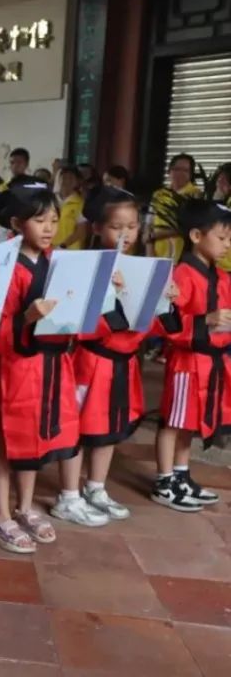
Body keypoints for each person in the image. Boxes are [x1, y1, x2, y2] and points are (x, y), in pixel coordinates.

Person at [72, 186, 182, 520]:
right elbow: (77, 324)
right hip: (92, 362)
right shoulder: (84, 268)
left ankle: (96, 487)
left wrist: (166, 302)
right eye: (116, 227)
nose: (126, 234)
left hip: (123, 362)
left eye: (132, 226)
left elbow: (150, 325)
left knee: (110, 429)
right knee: (79, 428)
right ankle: (69, 492)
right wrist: (112, 300)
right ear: (97, 228)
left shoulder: (142, 267)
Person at [0, 181, 80, 553]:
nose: (48, 228)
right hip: (20, 366)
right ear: (16, 223)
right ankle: (0, 515)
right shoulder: (6, 267)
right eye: (39, 220)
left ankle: (24, 507)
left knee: (36, 437)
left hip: (54, 364)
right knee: (8, 439)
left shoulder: (58, 261)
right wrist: (26, 317)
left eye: (53, 220)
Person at [151, 198, 231, 511]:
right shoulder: (183, 275)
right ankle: (164, 481)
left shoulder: (221, 277)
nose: (227, 245)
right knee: (173, 421)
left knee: (188, 422)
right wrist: (206, 320)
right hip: (186, 362)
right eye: (222, 238)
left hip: (209, 361)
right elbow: (167, 322)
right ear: (196, 236)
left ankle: (181, 475)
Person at [147, 153, 201, 259]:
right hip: (156, 253)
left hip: (181, 256)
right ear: (169, 171)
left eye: (185, 170)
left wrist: (155, 235)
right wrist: (149, 249)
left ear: (191, 174)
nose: (180, 173)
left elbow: (189, 227)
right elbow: (149, 222)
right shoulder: (158, 194)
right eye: (176, 169)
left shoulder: (195, 195)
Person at [54, 165, 88, 250]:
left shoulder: (81, 203)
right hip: (49, 248)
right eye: (64, 177)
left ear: (77, 182)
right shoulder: (51, 200)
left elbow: (81, 231)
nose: (67, 181)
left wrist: (63, 246)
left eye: (71, 178)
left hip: (70, 249)